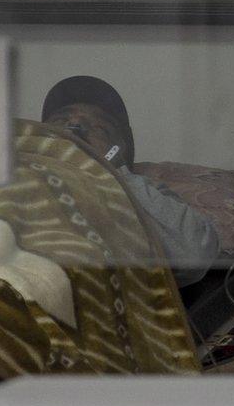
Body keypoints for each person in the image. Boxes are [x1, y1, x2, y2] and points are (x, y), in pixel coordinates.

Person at [40, 76, 219, 287]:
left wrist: (115, 172)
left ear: (118, 148)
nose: (75, 125)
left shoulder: (144, 193)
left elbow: (193, 252)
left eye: (99, 128)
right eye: (61, 121)